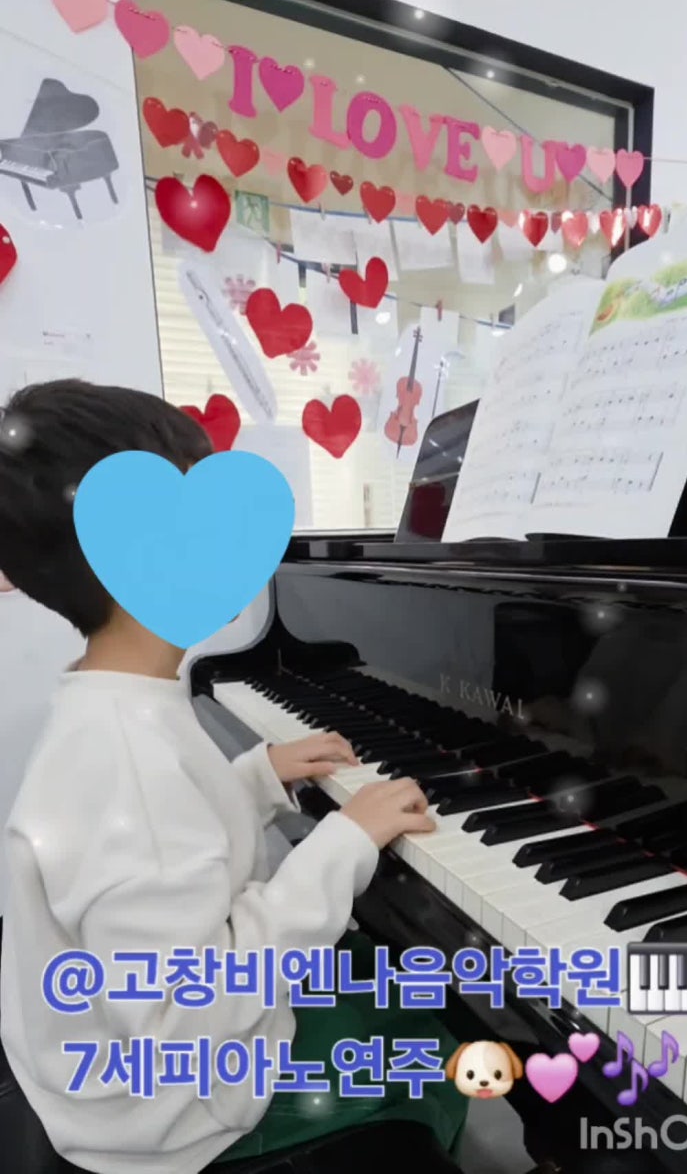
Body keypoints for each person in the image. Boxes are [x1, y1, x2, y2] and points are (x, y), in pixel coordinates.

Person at [0, 381, 468, 1174]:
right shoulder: (125, 761)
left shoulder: (114, 701)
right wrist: (341, 845)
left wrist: (255, 778)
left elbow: (165, 838)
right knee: (434, 1047)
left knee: (391, 984)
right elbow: (188, 1010)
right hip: (175, 1110)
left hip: (116, 1053)